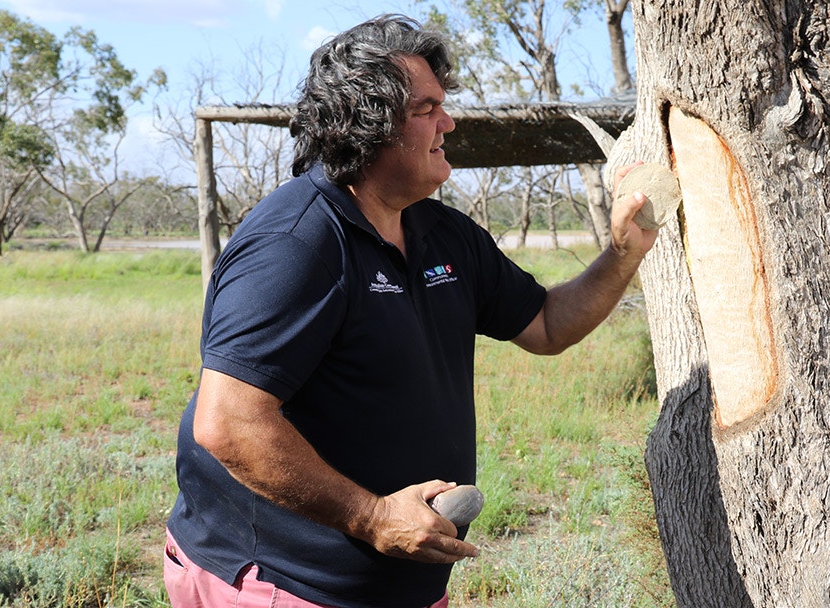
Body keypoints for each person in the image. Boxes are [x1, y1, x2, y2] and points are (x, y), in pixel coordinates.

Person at [163, 14, 657, 608]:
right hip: (283, 583)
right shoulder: (296, 245)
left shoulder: (443, 233)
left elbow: (548, 325)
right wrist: (372, 516)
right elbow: (227, 423)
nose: (447, 122)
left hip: (396, 584)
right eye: (425, 110)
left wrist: (624, 251)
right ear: (365, 125)